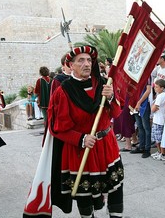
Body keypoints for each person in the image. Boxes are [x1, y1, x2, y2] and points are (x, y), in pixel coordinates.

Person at [23, 45, 124, 218]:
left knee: (116, 187)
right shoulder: (63, 92)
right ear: (71, 65)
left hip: (107, 146)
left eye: (89, 60)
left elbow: (116, 113)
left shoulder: (104, 84)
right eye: (81, 60)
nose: (86, 64)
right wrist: (81, 139)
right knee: (84, 194)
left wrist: (112, 97)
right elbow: (58, 128)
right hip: (80, 150)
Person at [130, 79, 151, 158]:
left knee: (146, 127)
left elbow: (148, 90)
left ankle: (147, 148)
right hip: (135, 103)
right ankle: (141, 146)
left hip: (144, 104)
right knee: (140, 126)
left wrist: (139, 102)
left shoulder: (147, 76)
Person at [151, 79, 165, 160]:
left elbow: (154, 108)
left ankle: (163, 153)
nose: (155, 88)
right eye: (155, 87)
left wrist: (153, 107)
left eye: (157, 87)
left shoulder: (161, 96)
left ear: (162, 88)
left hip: (160, 120)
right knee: (156, 138)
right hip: (156, 119)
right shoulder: (159, 95)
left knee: (159, 138)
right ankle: (159, 151)